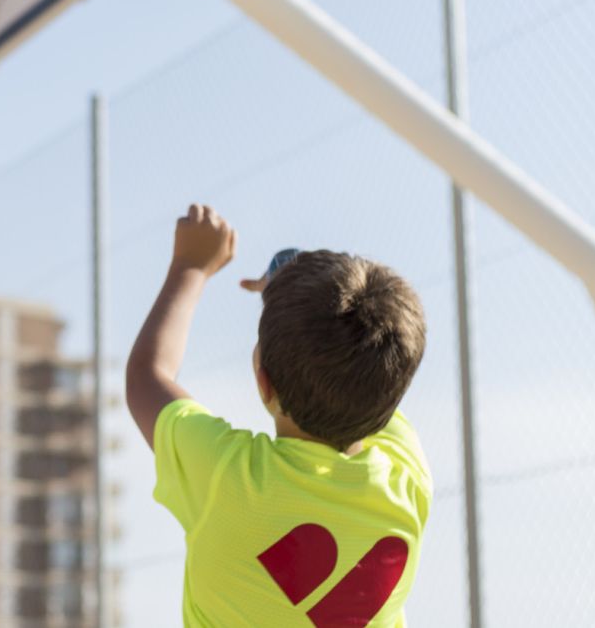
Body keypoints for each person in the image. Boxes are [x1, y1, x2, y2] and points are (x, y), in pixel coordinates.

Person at [126, 204, 430, 627]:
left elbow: (148, 376)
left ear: (263, 383)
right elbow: (370, 366)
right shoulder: (407, 481)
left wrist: (191, 266)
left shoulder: (227, 478)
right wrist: (289, 289)